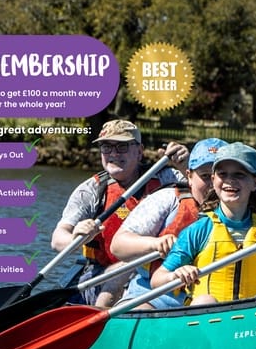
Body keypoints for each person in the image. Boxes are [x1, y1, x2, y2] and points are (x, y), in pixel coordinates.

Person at [51, 119, 189, 308]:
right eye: (106, 147)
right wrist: (76, 237)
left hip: (160, 270)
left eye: (122, 147)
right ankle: (100, 317)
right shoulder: (92, 190)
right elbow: (57, 239)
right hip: (102, 274)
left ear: (139, 151)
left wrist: (185, 165)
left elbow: (204, 191)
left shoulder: (167, 177)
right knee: (128, 264)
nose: (113, 154)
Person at [151, 142, 256, 306]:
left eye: (239, 174)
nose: (230, 181)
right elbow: (157, 279)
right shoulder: (200, 229)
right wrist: (175, 275)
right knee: (205, 300)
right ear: (213, 180)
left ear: (255, 182)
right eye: (222, 174)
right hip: (206, 321)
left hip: (250, 321)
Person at [110, 138, 228, 309]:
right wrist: (156, 243)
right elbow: (118, 246)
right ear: (189, 176)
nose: (213, 185)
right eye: (204, 177)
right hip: (155, 295)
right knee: (141, 311)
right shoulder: (168, 199)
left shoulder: (242, 211)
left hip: (215, 298)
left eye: (220, 176)